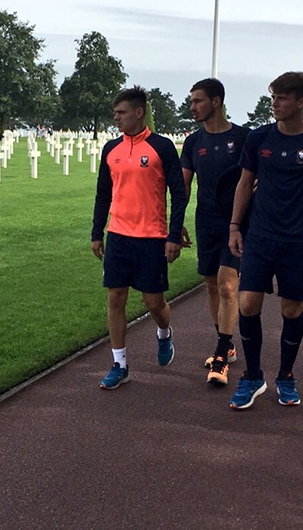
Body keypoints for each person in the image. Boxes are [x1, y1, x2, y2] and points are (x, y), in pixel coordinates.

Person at [227, 71, 303, 409]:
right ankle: (252, 375)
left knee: (291, 308)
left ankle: (286, 376)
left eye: (283, 98)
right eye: (273, 97)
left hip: (298, 241)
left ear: (301, 102)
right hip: (260, 235)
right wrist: (234, 226)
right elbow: (245, 183)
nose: (275, 103)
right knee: (247, 304)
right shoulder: (259, 138)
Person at [91, 85, 187, 389]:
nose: (116, 119)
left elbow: (179, 193)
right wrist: (97, 233)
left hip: (152, 237)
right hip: (118, 235)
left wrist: (173, 234)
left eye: (121, 113)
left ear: (138, 112)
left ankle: (164, 333)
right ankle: (119, 364)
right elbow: (102, 194)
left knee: (153, 302)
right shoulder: (111, 149)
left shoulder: (162, 147)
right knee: (115, 297)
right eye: (114, 114)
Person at [180, 78, 250, 385]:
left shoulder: (244, 138)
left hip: (236, 223)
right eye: (192, 101)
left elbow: (254, 179)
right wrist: (175, 223)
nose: (192, 106)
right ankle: (226, 339)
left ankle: (221, 354)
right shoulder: (194, 142)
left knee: (227, 285)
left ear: (216, 101)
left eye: (197, 101)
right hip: (205, 221)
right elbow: (183, 185)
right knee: (212, 285)